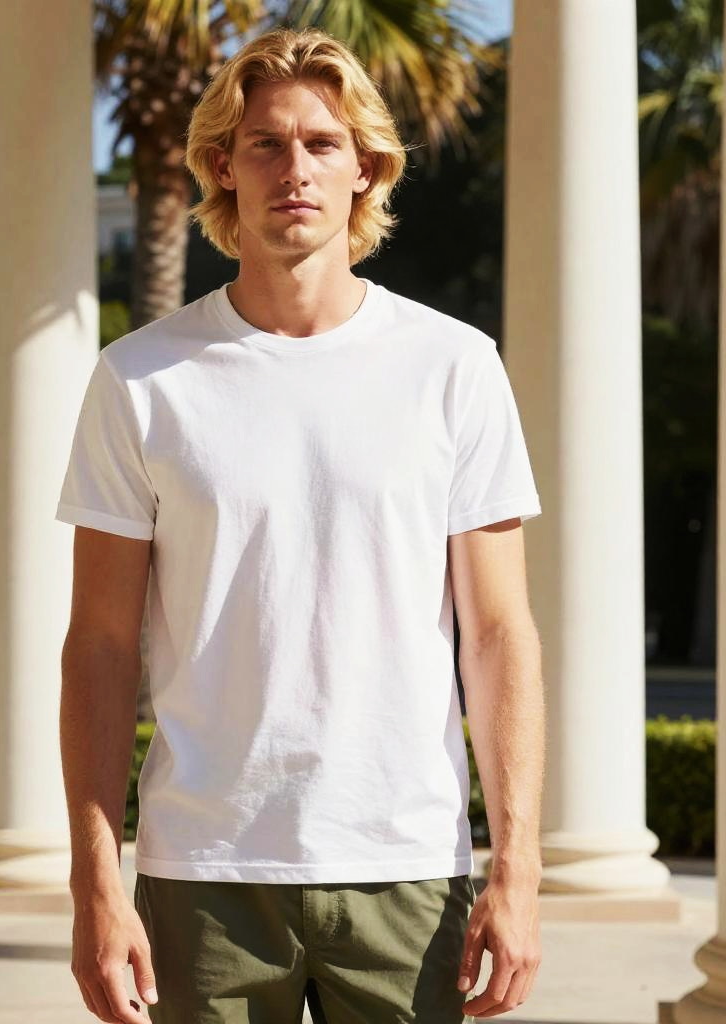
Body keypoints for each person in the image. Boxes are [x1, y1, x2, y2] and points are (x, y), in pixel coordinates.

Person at [55, 25, 545, 1024]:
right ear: (221, 167)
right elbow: (98, 644)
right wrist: (95, 882)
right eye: (265, 144)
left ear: (366, 168)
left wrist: (519, 865)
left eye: (322, 143)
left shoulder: (454, 367)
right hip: (205, 872)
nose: (295, 169)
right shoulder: (139, 379)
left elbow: (498, 633)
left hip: (405, 867)